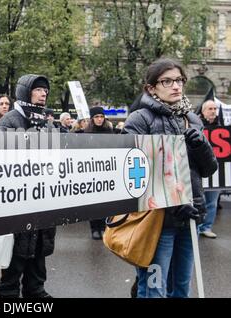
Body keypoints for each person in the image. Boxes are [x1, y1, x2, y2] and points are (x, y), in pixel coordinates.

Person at [123, 58, 218, 298]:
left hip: (192, 218)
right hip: (156, 222)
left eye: (179, 80)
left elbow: (209, 169)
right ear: (151, 88)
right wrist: (173, 204)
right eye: (167, 81)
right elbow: (133, 174)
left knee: (182, 288)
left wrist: (201, 147)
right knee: (154, 288)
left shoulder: (193, 120)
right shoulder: (139, 120)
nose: (176, 86)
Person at [0, 74, 55, 298]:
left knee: (39, 250)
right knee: (16, 254)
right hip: (18, 201)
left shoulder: (47, 123)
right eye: (38, 89)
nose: (44, 94)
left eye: (45, 90)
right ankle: (9, 293)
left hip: (43, 198)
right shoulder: (9, 121)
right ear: (25, 91)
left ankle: (36, 290)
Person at [84, 106, 113, 240]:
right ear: (92, 119)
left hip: (106, 171)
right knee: (93, 202)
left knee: (105, 203)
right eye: (97, 117)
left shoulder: (110, 132)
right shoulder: (86, 133)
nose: (100, 119)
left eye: (101, 117)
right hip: (91, 172)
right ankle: (94, 228)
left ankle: (103, 227)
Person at [198, 98, 221, 239]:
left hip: (217, 173)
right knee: (199, 201)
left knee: (211, 202)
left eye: (215, 109)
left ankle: (206, 227)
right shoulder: (196, 125)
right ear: (203, 111)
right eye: (210, 109)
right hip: (199, 172)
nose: (213, 111)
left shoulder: (224, 127)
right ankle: (197, 227)